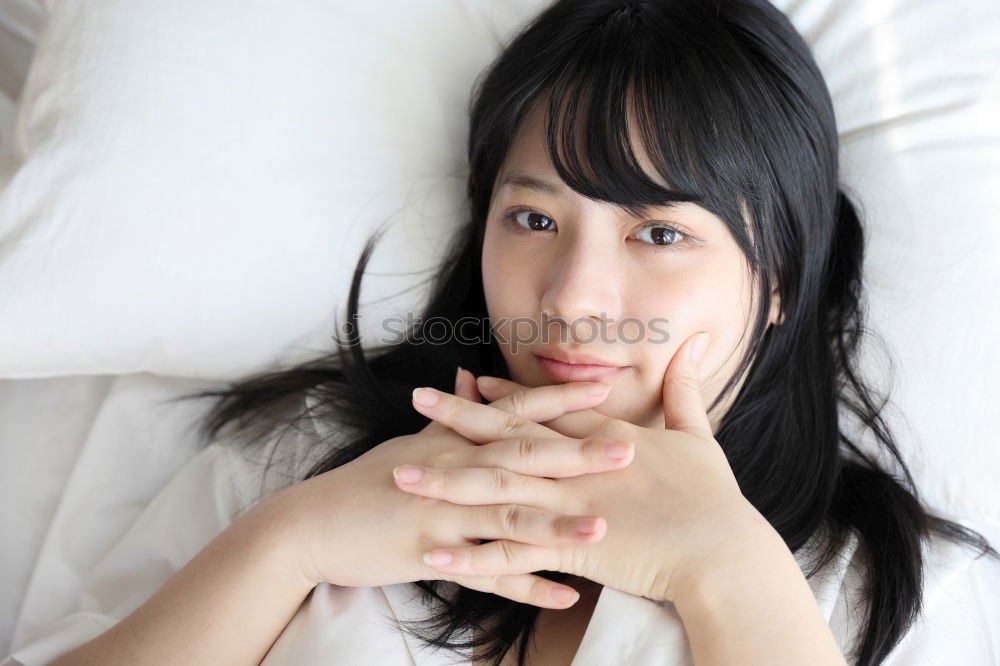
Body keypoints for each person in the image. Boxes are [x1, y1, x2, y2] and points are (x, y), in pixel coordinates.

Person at [5, 0, 998, 665]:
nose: (571, 297)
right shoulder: (302, 459)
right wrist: (288, 547)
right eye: (533, 219)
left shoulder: (896, 594)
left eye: (659, 232)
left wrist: (724, 570)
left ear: (780, 276)